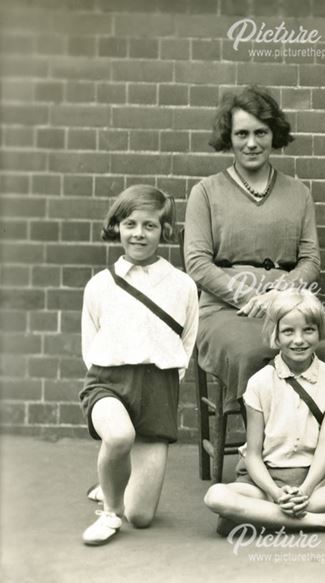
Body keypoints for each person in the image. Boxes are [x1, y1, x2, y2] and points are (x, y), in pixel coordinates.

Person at [184, 85, 325, 410]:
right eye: (242, 133)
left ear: (274, 134)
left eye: (261, 132)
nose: (252, 143)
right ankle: (256, 448)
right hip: (227, 311)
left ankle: (305, 443)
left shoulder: (299, 193)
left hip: (288, 306)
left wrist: (279, 296)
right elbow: (197, 263)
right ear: (229, 136)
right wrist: (249, 297)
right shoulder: (205, 192)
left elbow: (310, 261)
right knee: (252, 353)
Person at [79, 185, 198, 545]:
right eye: (130, 223)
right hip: (109, 383)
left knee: (142, 517)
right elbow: (91, 344)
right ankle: (110, 513)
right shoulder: (100, 286)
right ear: (117, 227)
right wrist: (114, 375)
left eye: (150, 226)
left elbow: (187, 342)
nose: (139, 234)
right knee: (118, 436)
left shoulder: (182, 286)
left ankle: (112, 483)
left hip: (158, 389)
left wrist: (160, 381)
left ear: (164, 231)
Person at [203, 290, 325, 535]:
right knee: (216, 496)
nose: (298, 340)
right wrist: (275, 493)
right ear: (275, 335)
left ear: (319, 332)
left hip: (312, 481)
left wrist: (304, 491)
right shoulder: (259, 382)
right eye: (288, 331)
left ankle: (258, 516)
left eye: (308, 330)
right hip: (262, 485)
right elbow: (252, 454)